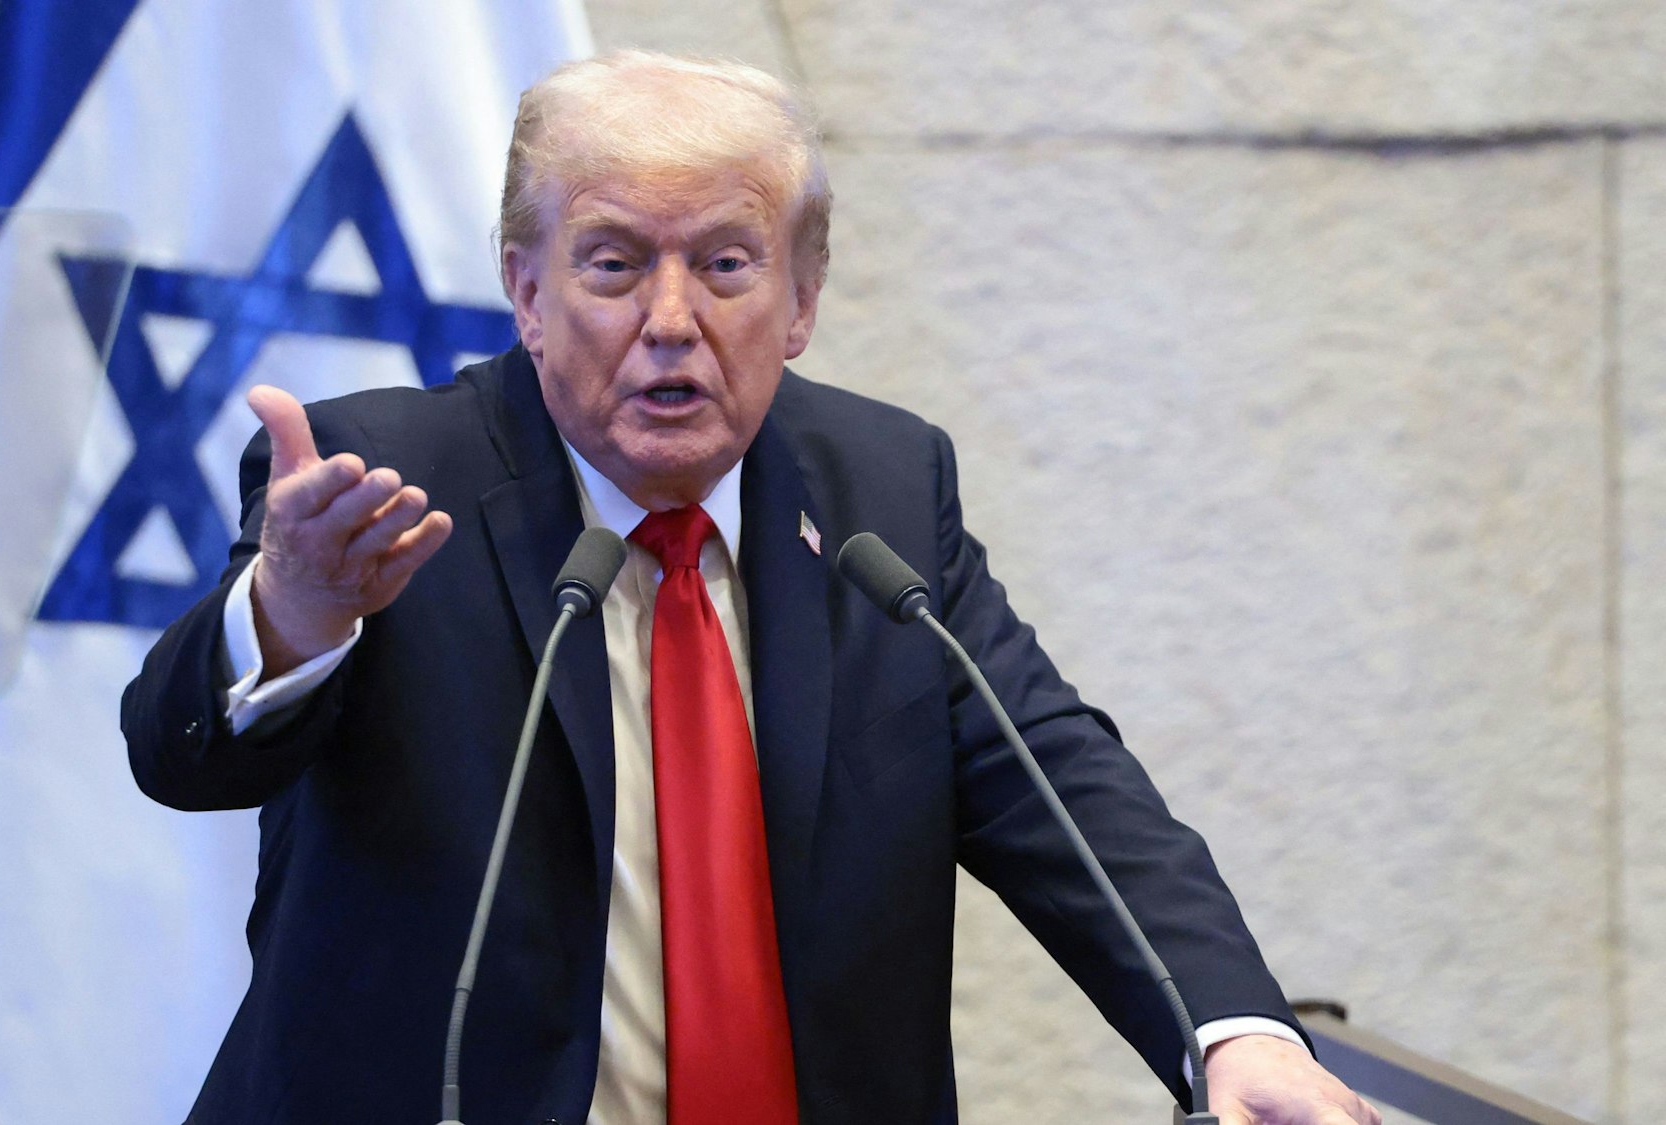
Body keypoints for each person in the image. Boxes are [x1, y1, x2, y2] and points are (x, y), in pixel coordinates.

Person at [124, 51, 1380, 1125]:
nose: (670, 319)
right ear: (525, 293)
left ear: (800, 302)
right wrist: (291, 613)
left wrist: (1233, 1030)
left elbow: (1056, 785)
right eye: (612, 266)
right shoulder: (392, 482)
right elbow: (181, 759)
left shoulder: (878, 489)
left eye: (725, 265)